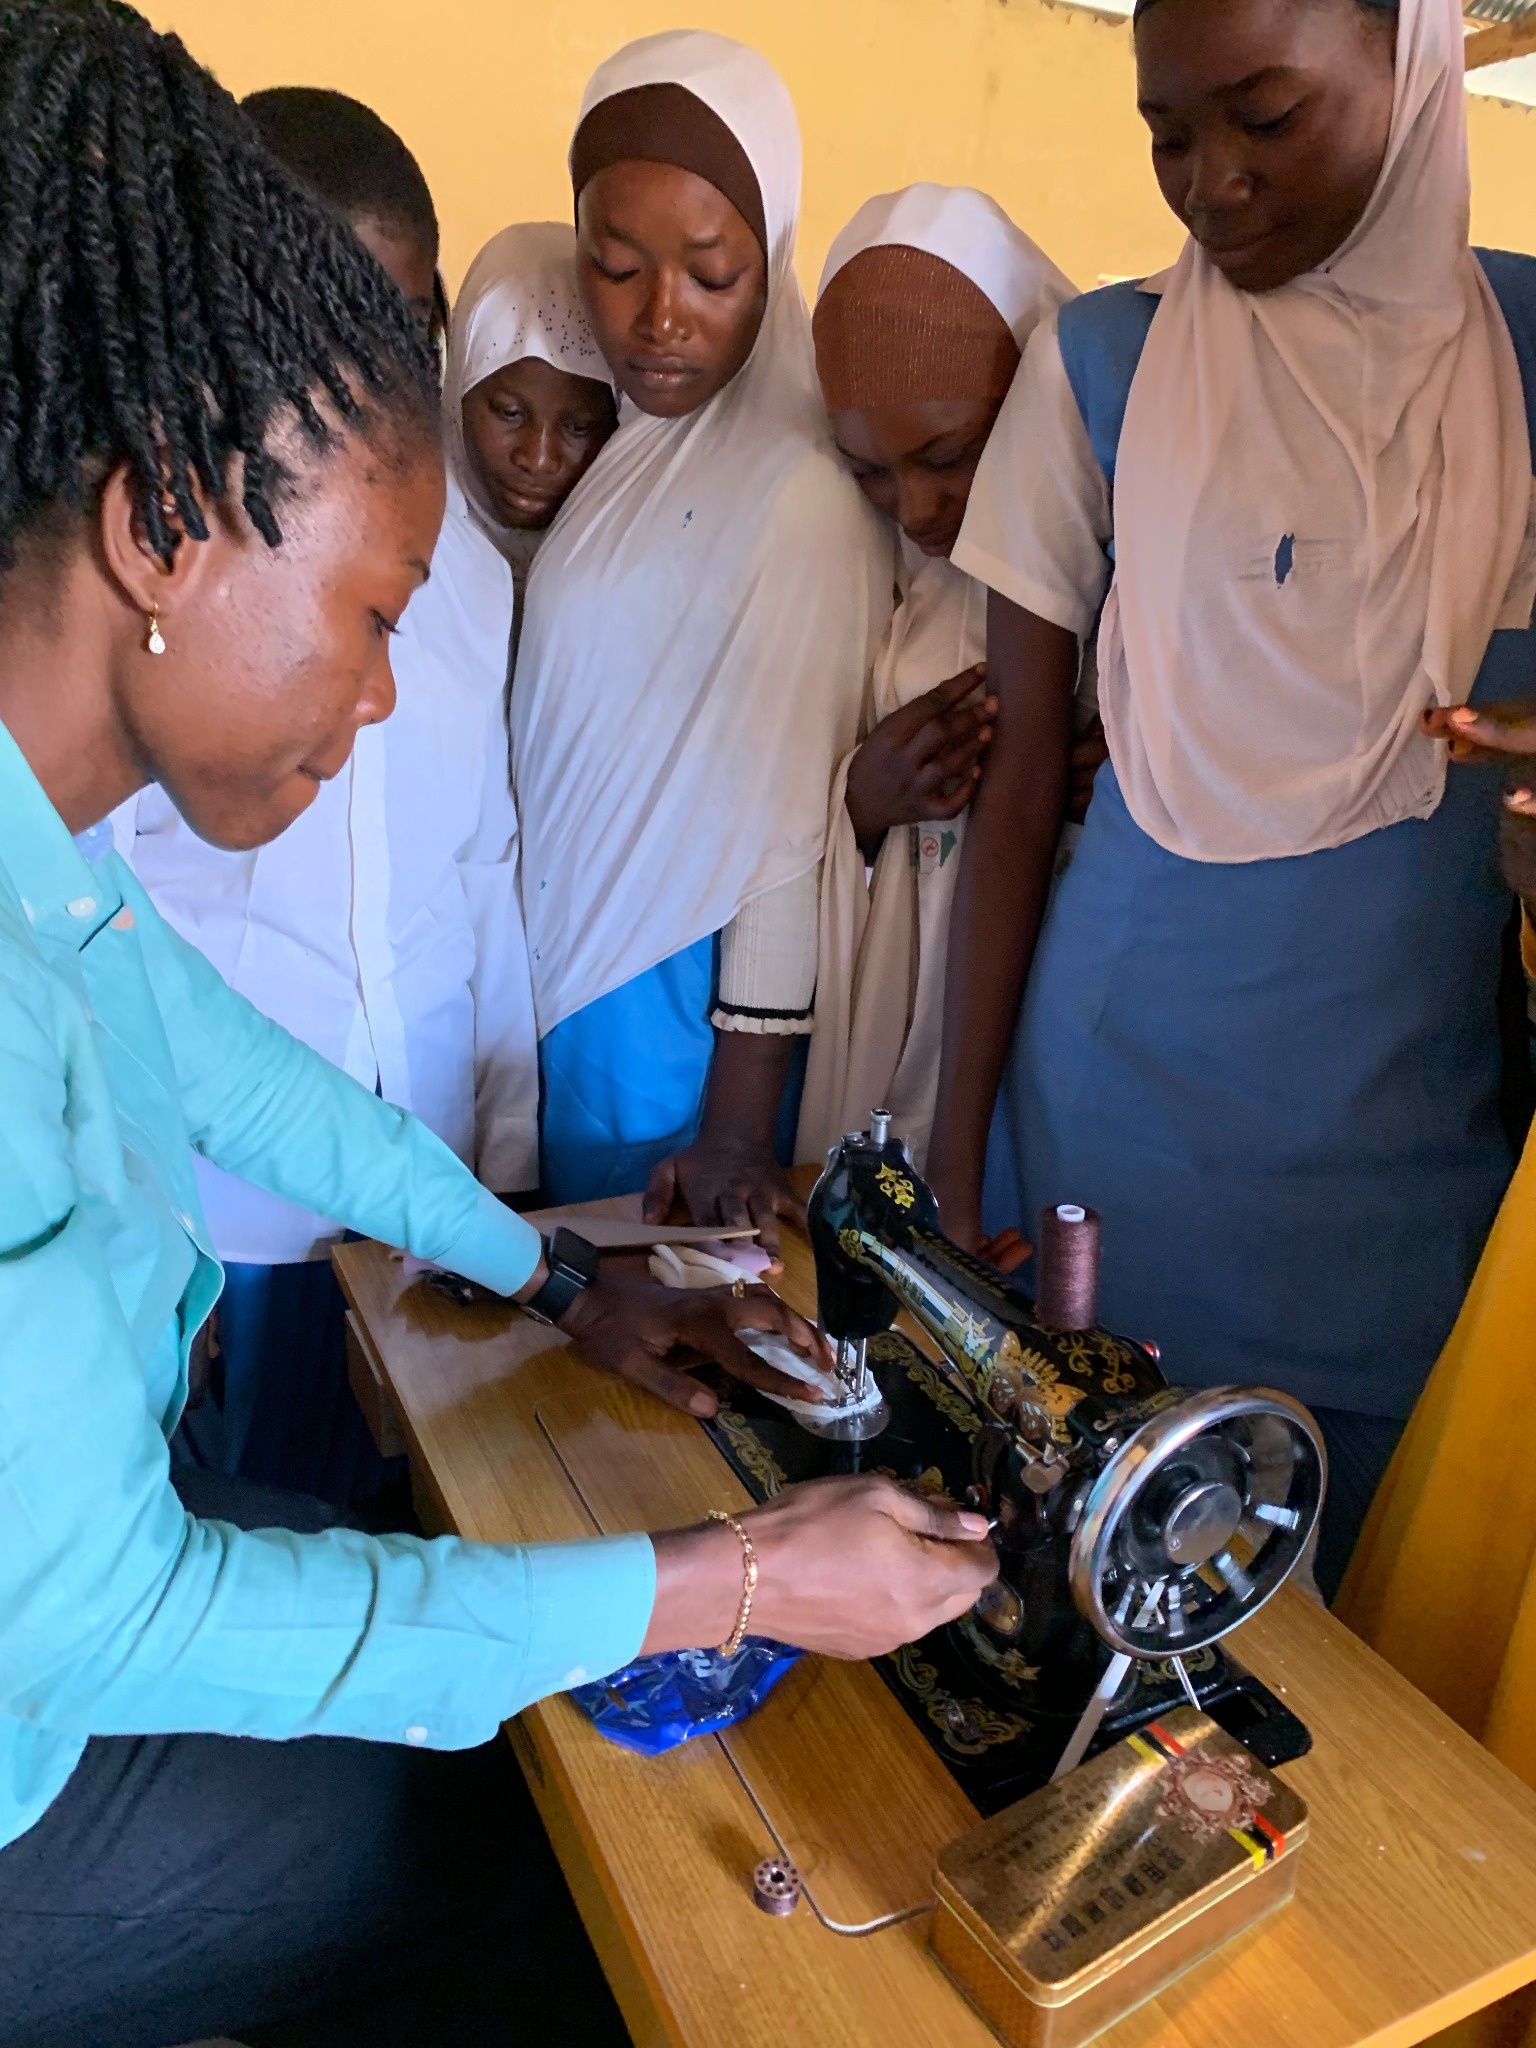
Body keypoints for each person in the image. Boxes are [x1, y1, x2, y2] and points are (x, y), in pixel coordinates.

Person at [0, 11, 999, 2044]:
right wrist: (733, 1583)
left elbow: (238, 1067)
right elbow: (102, 1613)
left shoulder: (50, 860)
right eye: (372, 613)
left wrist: (547, 1267)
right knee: (558, 1871)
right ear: (160, 528)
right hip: (31, 1775)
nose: (388, 700)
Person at [938, 0, 1536, 1597]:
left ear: (1409, 75)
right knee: (1081, 1612)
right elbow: (1017, 792)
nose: (1210, 183)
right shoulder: (1103, 368)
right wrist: (946, 1156)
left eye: (1267, 119)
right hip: (1108, 1141)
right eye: (1167, 134)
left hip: (1404, 1171)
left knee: (1359, 1693)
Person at [112, 88, 538, 1506]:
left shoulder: (469, 569)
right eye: (308, 320)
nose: (359, 370)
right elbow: (108, 938)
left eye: (397, 324)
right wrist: (155, 1220)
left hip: (421, 1214)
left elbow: (484, 875)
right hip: (220, 1232)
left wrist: (507, 1179)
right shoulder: (155, 590)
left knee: (402, 1534)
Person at [512, 30, 891, 1238]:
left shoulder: (801, 494)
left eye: (711, 275)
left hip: (683, 1033)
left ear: (772, 260)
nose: (659, 318)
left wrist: (736, 1125)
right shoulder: (626, 456)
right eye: (615, 266)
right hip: (569, 995)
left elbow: (790, 825)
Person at [796, 183, 1074, 1199]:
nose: (916, 508)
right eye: (871, 472)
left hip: (1038, 1056)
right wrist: (866, 799)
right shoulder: (865, 577)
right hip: (887, 1039)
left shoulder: (1110, 573)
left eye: (949, 456)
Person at [447, 220, 619, 636]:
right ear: (457, 391)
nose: (539, 458)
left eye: (578, 427)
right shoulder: (413, 547)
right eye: (508, 413)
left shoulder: (626, 561)